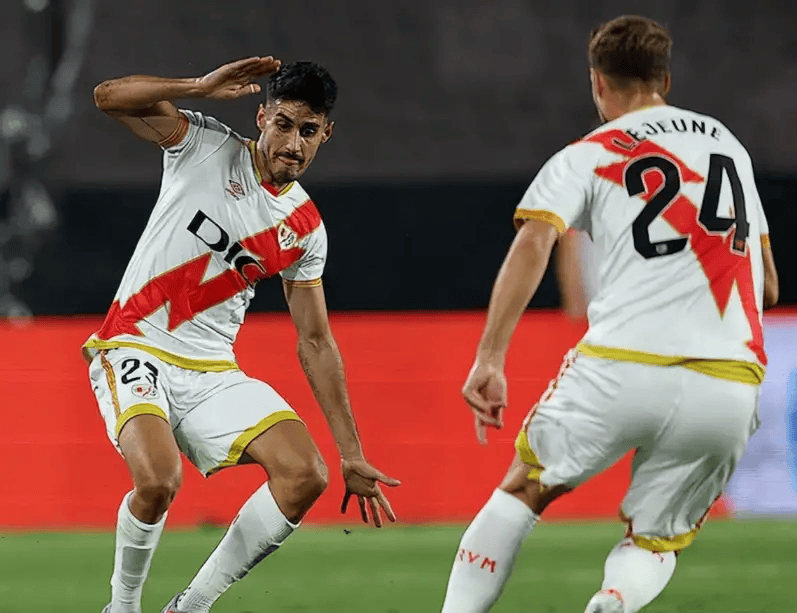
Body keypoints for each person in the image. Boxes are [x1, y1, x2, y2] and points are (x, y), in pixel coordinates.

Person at [439, 15, 779, 613]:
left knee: (523, 491)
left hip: (624, 365)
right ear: (665, 79)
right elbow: (768, 285)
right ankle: (615, 600)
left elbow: (534, 242)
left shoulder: (586, 154)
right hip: (727, 384)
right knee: (654, 541)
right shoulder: (729, 147)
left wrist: (490, 358)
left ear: (598, 83)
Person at [83, 56, 400, 613]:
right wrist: (198, 87)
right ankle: (123, 607)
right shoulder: (203, 145)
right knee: (158, 481)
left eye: (308, 131)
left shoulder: (305, 229)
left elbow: (316, 341)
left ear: (326, 134)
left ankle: (191, 606)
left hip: (212, 371)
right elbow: (107, 96)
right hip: (135, 344)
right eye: (283, 124)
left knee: (305, 474)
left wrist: (351, 453)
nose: (293, 144)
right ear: (261, 117)